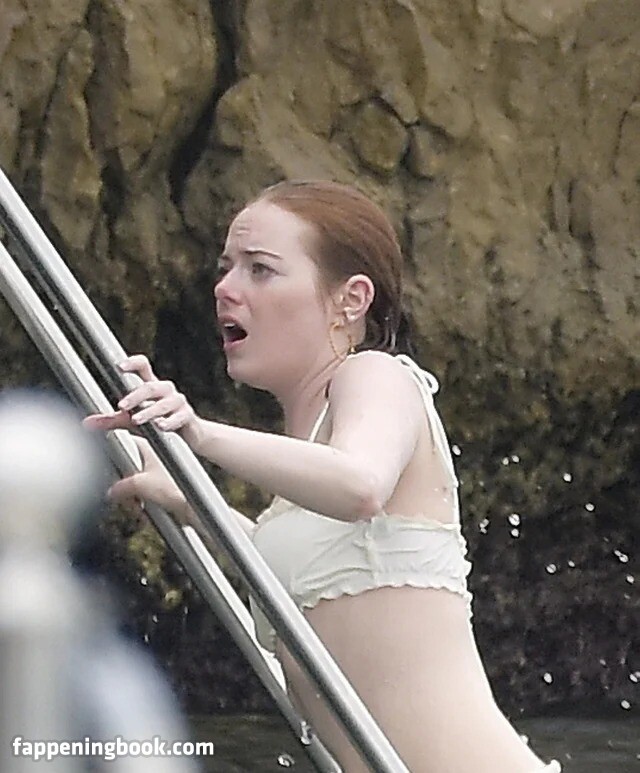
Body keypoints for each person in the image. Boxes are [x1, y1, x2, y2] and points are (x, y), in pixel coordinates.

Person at [85, 181, 561, 772]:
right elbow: (313, 576)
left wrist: (199, 434)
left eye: (260, 269)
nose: (225, 288)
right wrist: (190, 499)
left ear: (351, 300)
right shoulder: (311, 449)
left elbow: (360, 485)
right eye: (226, 267)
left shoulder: (378, 375)